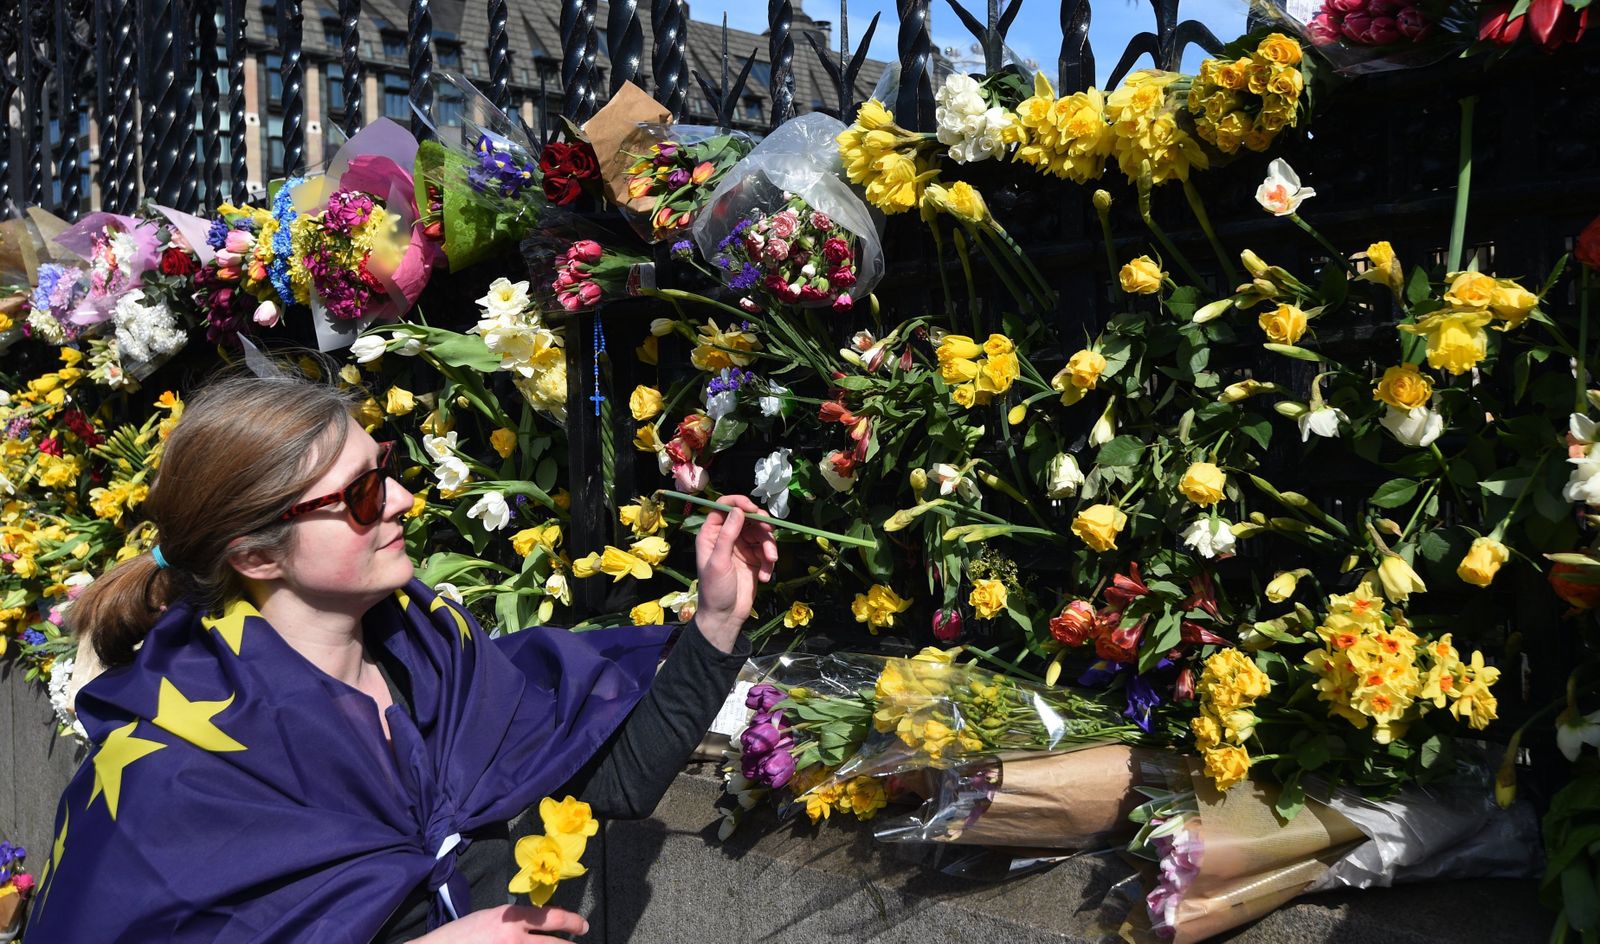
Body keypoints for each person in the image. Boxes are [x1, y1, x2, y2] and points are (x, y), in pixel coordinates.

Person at [25, 372, 777, 943]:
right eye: (357, 495)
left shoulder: (436, 660)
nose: (402, 501)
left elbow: (607, 778)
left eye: (381, 467)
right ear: (256, 554)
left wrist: (717, 618)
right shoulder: (172, 769)